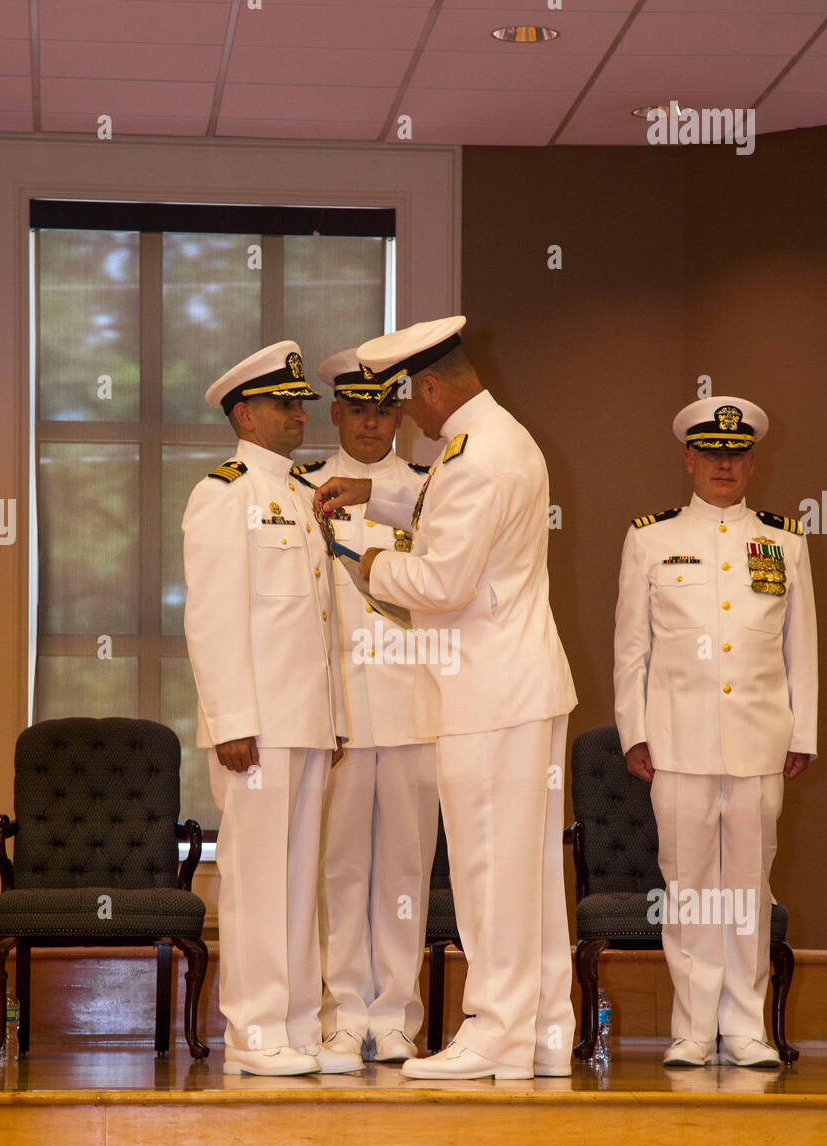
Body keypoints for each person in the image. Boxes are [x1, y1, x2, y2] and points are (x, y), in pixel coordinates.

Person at [315, 316, 577, 1079]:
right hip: (516, 686)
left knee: (489, 866)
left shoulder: (474, 456)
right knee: (527, 875)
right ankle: (541, 1034)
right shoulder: (496, 439)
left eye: (409, 400)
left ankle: (494, 1030)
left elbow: (442, 581)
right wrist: (380, 498)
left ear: (432, 389)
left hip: (488, 693)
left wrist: (364, 559)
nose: (411, 417)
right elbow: (451, 515)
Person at [613, 395, 817, 1067]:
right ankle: (695, 1028)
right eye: (710, 453)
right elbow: (630, 649)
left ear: (752, 462)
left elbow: (801, 648)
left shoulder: (784, 541)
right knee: (690, 886)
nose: (722, 465)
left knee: (749, 890)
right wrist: (633, 731)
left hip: (759, 742)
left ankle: (746, 1027)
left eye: (734, 455)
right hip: (679, 742)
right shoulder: (651, 538)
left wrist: (801, 732)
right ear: (689, 459)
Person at [182, 341, 357, 1077]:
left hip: (307, 721)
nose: (296, 415)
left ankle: (295, 1024)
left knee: (299, 878)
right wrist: (231, 722)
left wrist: (333, 717)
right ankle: (254, 1032)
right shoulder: (224, 494)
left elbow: (319, 622)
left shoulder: (298, 492)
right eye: (283, 404)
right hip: (257, 727)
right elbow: (213, 617)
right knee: (257, 880)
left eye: (299, 403)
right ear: (245, 414)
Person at [291, 349, 439, 1064]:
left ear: (402, 414)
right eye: (360, 409)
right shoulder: (301, 488)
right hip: (341, 710)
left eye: (386, 409)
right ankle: (344, 1009)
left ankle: (397, 1012)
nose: (373, 421)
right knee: (341, 868)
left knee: (407, 872)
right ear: (336, 413)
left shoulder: (428, 489)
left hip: (417, 705)